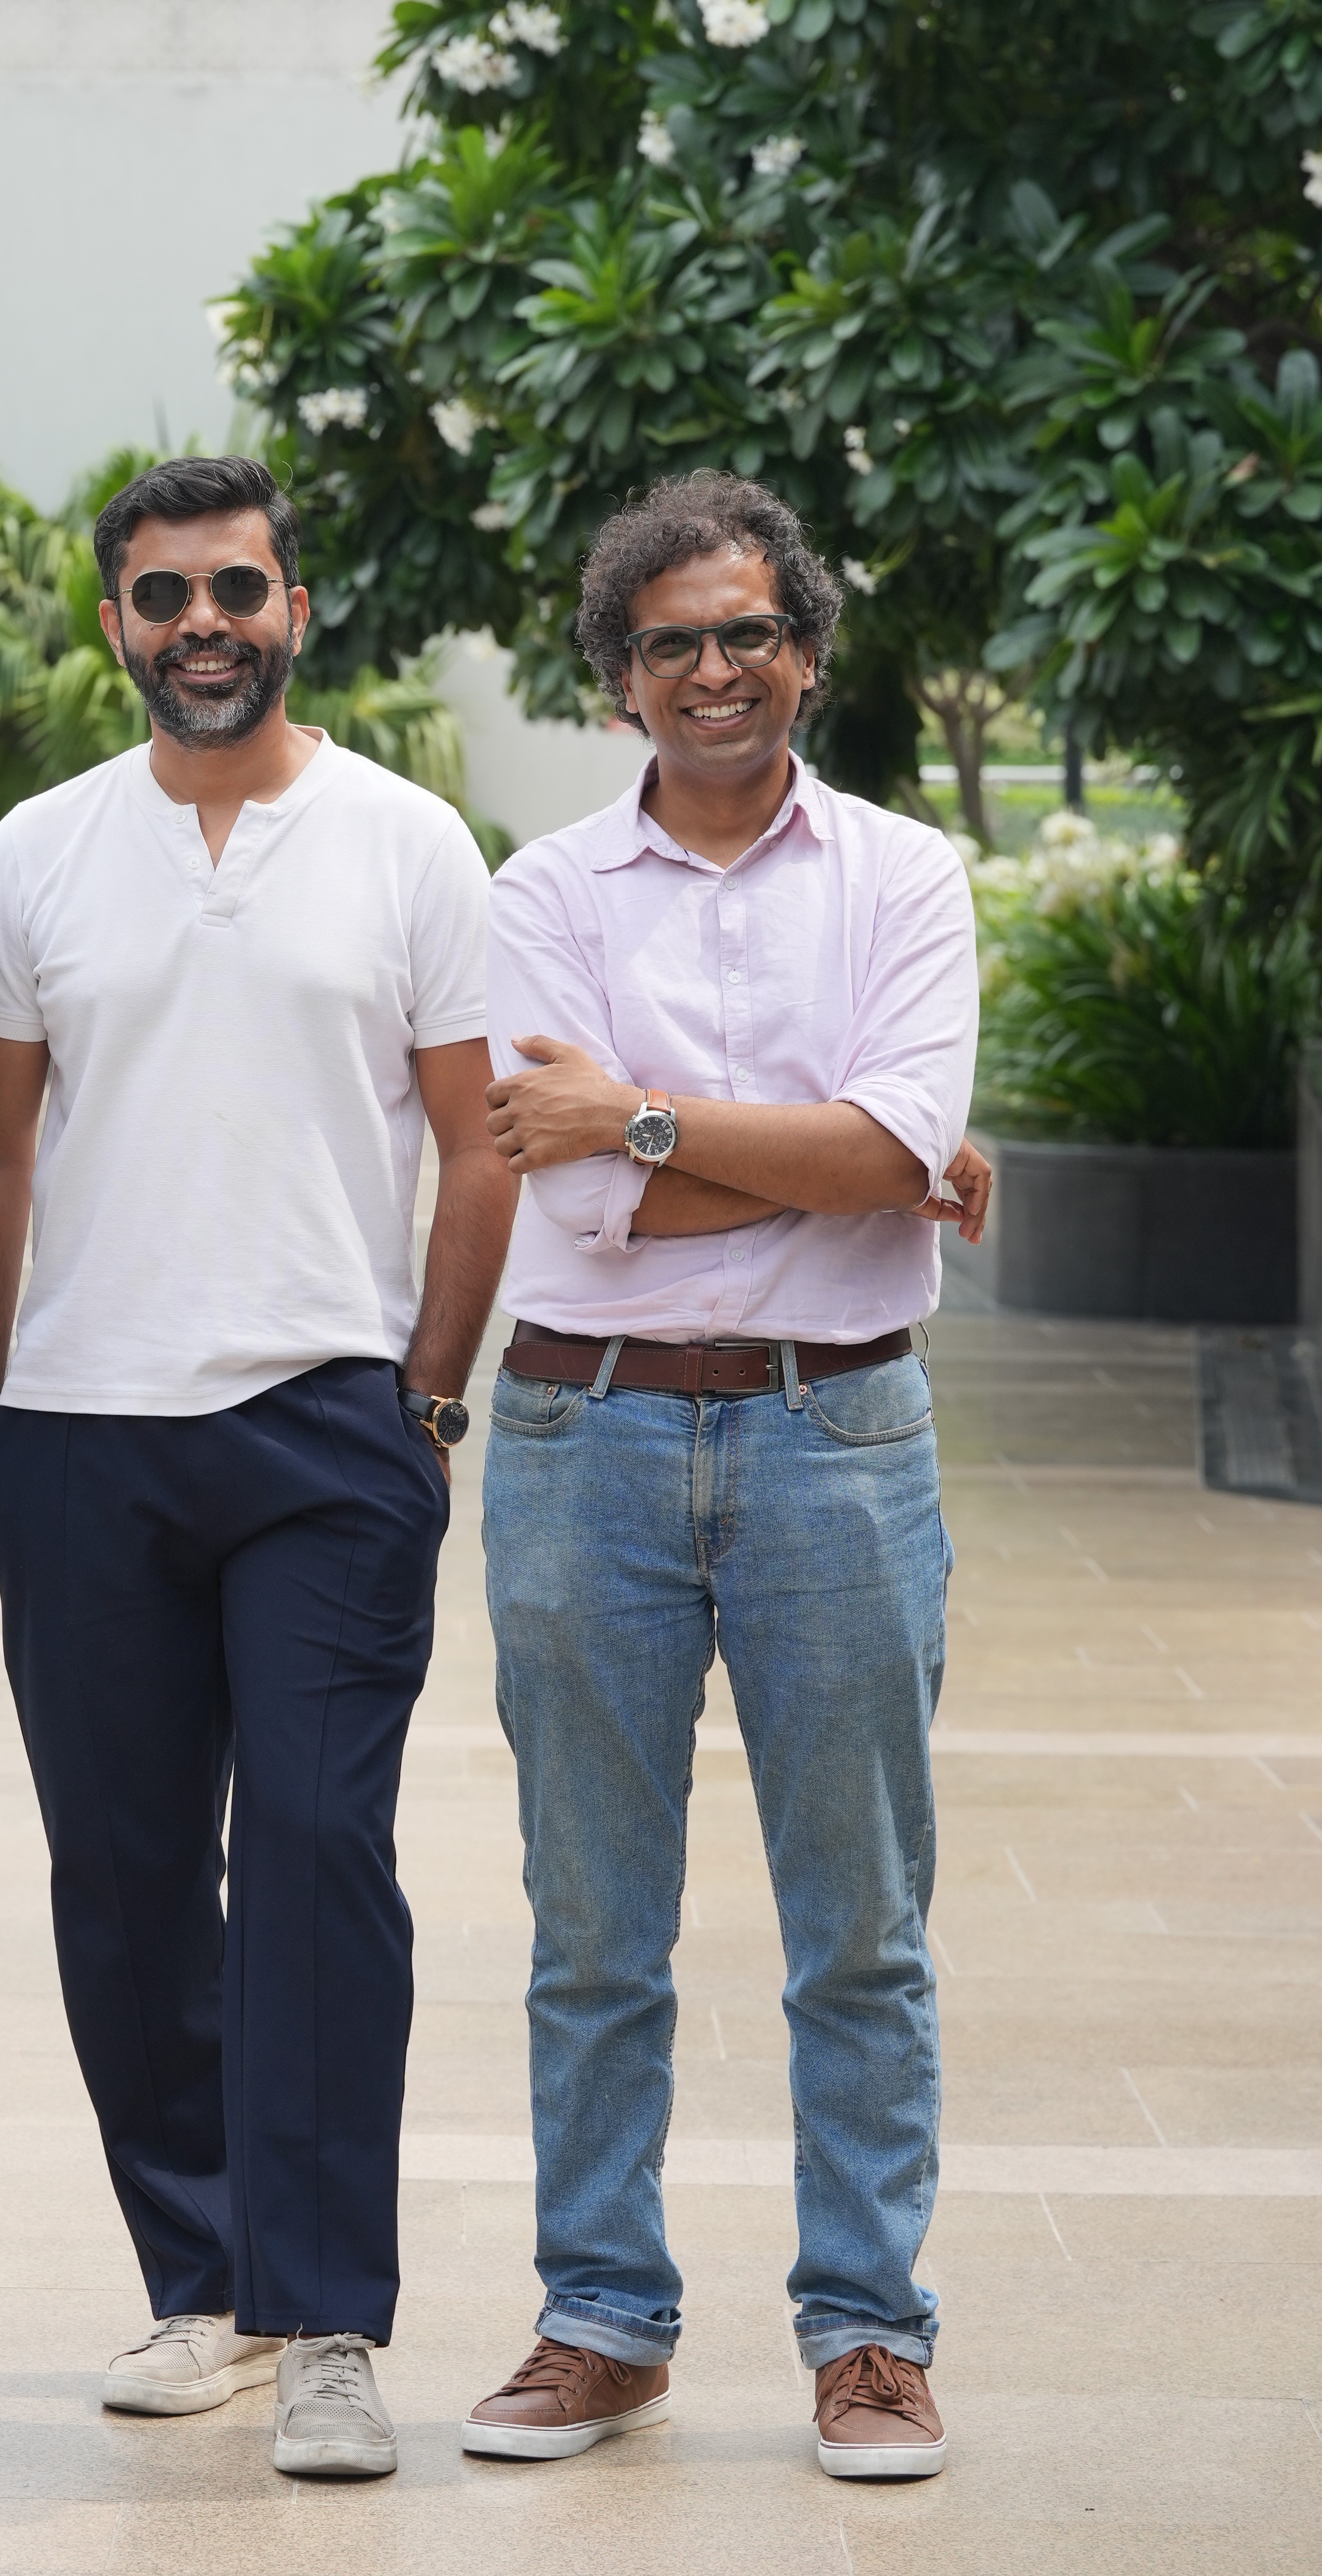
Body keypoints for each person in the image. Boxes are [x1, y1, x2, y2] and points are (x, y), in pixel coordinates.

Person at [0, 454, 515, 2486]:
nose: (204, 623)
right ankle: (206, 2282)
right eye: (165, 594)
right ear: (117, 623)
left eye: (237, 589)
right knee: (122, 1884)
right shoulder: (38, 851)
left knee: (319, 1860)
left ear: (294, 609)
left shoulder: (408, 842)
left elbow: (481, 1145)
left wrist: (425, 1403)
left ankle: (328, 2314)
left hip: (327, 1431)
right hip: (83, 1436)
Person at [464, 471, 990, 2487]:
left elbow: (890, 1150)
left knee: (861, 1928)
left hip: (834, 1432)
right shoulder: (541, 893)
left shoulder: (904, 878)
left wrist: (659, 1124)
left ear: (806, 652)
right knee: (593, 1928)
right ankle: (603, 2322)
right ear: (621, 675)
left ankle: (869, 2337)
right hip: (580, 1432)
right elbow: (574, 1203)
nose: (713, 670)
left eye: (748, 631)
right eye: (672, 641)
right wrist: (830, 1157)